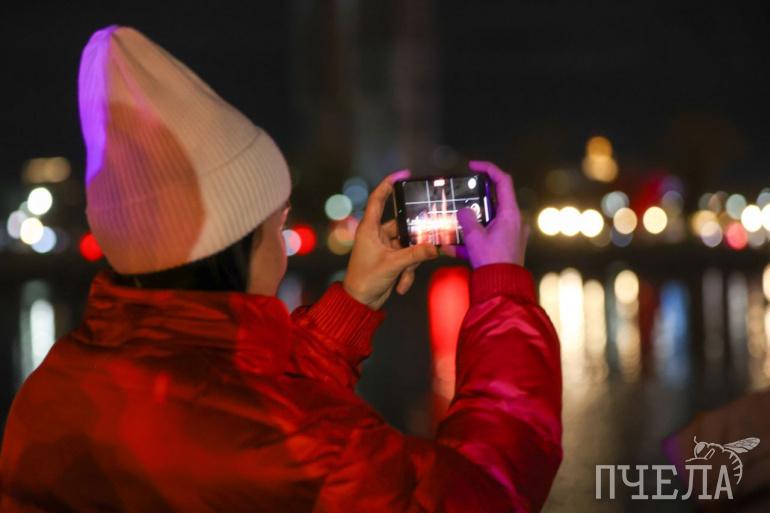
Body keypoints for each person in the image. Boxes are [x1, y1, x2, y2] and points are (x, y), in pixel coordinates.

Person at [0, 26, 562, 512]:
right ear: (234, 246)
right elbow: (487, 491)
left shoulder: (53, 388)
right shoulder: (310, 452)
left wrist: (354, 302)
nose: (285, 243)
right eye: (277, 222)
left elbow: (242, 400)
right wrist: (502, 291)